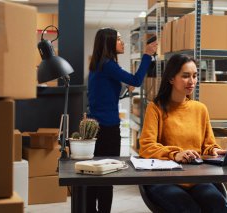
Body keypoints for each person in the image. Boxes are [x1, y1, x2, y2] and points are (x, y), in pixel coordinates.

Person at [139, 54, 227, 213]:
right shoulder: (155, 108)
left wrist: (214, 151)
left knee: (219, 206)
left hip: (196, 178)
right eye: (186, 76)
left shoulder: (200, 108)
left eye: (195, 76)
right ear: (171, 78)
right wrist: (175, 154)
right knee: (189, 210)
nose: (192, 81)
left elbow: (207, 145)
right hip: (164, 179)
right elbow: (146, 146)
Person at [87, 28, 157, 213]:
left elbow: (104, 95)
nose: (123, 42)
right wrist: (147, 55)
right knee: (107, 177)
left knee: (94, 176)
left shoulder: (99, 65)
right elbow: (137, 79)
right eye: (118, 39)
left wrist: (124, 89)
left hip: (98, 126)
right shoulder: (109, 65)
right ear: (109, 43)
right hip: (107, 128)